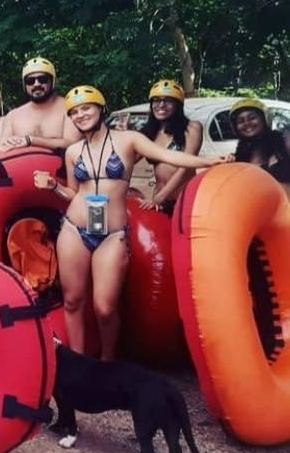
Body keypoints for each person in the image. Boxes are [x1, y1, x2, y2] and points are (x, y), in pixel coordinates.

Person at [33, 86, 232, 360]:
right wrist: (54, 186)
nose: (81, 115)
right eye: (74, 112)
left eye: (86, 108)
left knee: (104, 307)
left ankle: (107, 362)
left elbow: (171, 156)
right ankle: (78, 365)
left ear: (102, 109)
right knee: (72, 301)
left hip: (112, 234)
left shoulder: (129, 140)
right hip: (74, 229)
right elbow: (74, 193)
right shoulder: (73, 151)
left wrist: (208, 161)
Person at [137, 80, 203, 213]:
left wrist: (161, 197)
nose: (161, 105)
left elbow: (186, 166)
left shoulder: (192, 128)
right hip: (160, 202)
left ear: (178, 105)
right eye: (156, 100)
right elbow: (127, 159)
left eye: (168, 101)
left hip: (185, 200)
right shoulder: (149, 133)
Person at [0, 57, 82, 154]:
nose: (36, 84)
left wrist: (31, 140)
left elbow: (73, 144)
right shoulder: (13, 116)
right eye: (30, 81)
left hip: (62, 166)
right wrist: (9, 144)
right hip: (22, 167)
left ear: (52, 82)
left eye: (42, 79)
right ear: (25, 85)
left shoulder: (69, 106)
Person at [231, 98, 290, 198]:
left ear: (265, 119)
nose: (247, 123)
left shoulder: (283, 143)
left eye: (252, 118)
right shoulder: (240, 154)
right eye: (241, 121)